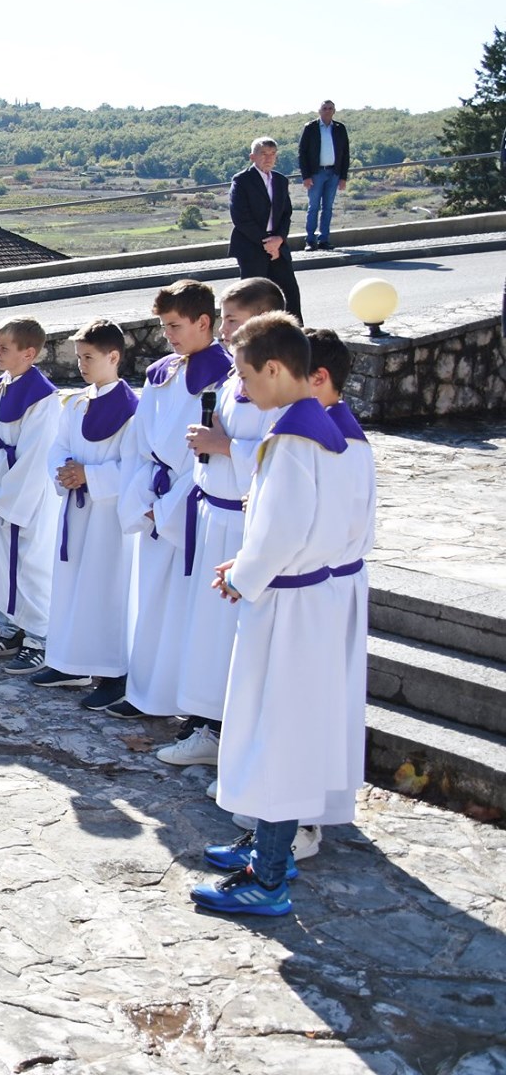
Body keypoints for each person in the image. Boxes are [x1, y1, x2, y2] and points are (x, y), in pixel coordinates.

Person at [191, 311, 369, 918]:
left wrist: (242, 575)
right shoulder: (319, 426)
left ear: (274, 368)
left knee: (277, 731)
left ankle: (267, 879)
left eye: (244, 375)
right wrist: (249, 563)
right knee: (283, 728)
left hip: (288, 602)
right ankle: (269, 850)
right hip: (303, 593)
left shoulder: (293, 438)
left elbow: (284, 529)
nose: (240, 388)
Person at [155, 278, 288, 766]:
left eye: (233, 319)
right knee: (206, 628)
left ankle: (223, 729)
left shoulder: (276, 384)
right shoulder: (235, 376)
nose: (224, 328)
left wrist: (225, 446)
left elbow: (282, 454)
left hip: (240, 519)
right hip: (212, 510)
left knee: (227, 629)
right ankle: (205, 718)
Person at [106, 280, 231, 719]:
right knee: (150, 600)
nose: (167, 335)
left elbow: (206, 458)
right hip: (153, 492)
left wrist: (167, 507)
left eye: (175, 325)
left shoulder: (224, 376)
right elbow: (139, 444)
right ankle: (143, 691)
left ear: (204, 322)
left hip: (186, 503)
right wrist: (141, 496)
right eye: (164, 326)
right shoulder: (161, 372)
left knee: (179, 605)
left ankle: (174, 699)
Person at [34, 320, 139, 695]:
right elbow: (58, 446)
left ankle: (112, 671)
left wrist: (89, 476)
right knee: (70, 585)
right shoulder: (77, 403)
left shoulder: (132, 410)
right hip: (75, 510)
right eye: (79, 357)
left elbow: (134, 465)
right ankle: (68, 663)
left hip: (108, 517)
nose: (81, 365)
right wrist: (64, 471)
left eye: (89, 357)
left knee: (104, 588)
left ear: (114, 357)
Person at [0, 317, 59, 674]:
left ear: (28, 353)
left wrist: (6, 500)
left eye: (4, 348)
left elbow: (36, 455)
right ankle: (5, 628)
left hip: (25, 496)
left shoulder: (43, 398)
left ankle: (39, 638)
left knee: (29, 565)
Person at [228, 138, 302, 319]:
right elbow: (240, 217)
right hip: (252, 245)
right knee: (253, 297)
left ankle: (295, 333)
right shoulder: (242, 180)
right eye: (263, 154)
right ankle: (253, 334)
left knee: (290, 294)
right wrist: (267, 243)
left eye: (272, 154)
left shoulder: (280, 180)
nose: (268, 158)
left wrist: (279, 239)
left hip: (278, 246)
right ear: (252, 157)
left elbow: (286, 214)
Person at [295, 101, 350, 251]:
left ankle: (324, 240)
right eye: (324, 108)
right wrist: (306, 176)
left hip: (333, 173)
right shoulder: (310, 128)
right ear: (319, 111)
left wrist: (343, 177)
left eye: (330, 108)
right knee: (313, 207)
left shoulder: (339, 128)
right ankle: (310, 240)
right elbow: (302, 153)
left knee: (328, 208)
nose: (327, 111)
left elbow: (345, 153)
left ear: (334, 111)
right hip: (316, 173)